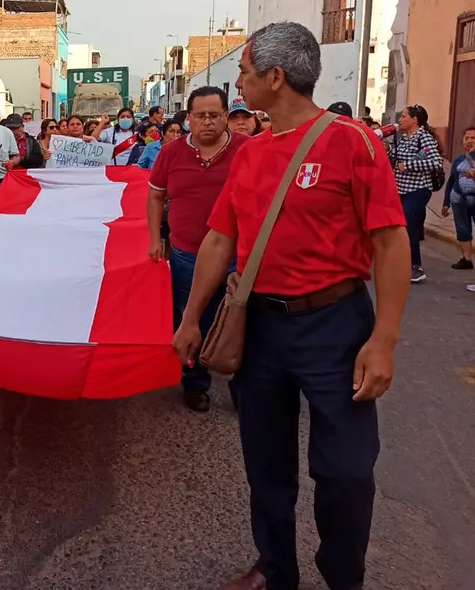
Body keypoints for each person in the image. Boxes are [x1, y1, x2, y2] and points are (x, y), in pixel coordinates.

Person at [174, 23, 410, 590]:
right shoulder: (250, 156)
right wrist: (190, 318)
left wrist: (384, 339)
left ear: (275, 78)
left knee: (347, 472)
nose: (239, 83)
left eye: (246, 72)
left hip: (336, 326)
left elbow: (390, 241)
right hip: (262, 329)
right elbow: (219, 241)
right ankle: (275, 567)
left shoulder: (353, 142)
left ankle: (341, 576)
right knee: (266, 464)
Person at [147, 86, 247, 413]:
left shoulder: (249, 151)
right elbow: (155, 195)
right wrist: (154, 238)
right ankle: (195, 382)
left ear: (226, 118)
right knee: (192, 319)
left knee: (242, 319)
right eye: (200, 115)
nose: (207, 122)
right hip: (186, 254)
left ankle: (244, 386)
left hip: (238, 255)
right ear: (189, 118)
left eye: (214, 115)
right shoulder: (171, 153)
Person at [391, 104, 443, 283]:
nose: (400, 119)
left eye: (404, 116)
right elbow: (395, 161)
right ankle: (404, 264)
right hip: (401, 189)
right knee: (402, 227)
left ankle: (416, 266)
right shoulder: (403, 138)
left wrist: (409, 166)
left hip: (418, 189)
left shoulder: (424, 137)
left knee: (408, 226)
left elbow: (436, 162)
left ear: (414, 120)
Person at [442, 126, 475, 270]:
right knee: (462, 229)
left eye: (473, 138)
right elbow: (451, 181)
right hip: (459, 199)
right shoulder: (458, 160)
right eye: (466, 138)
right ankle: (466, 258)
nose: (469, 141)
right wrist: (446, 203)